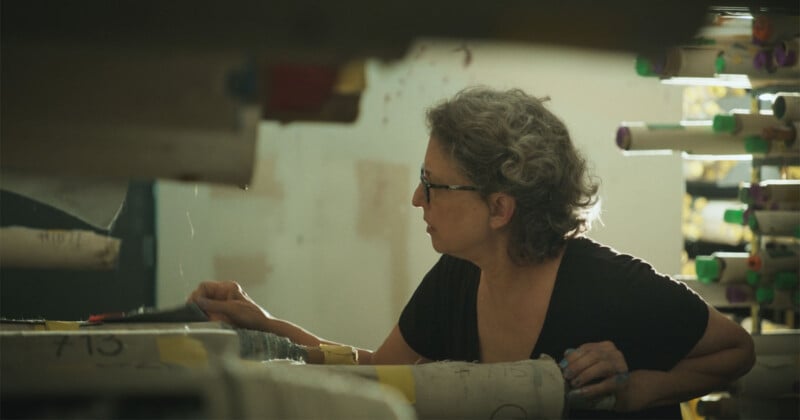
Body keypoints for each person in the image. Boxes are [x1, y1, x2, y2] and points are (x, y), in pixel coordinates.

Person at [189, 87, 755, 418]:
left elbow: (736, 352)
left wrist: (636, 387)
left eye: (434, 184)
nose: (417, 199)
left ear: (500, 209)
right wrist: (267, 327)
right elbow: (380, 372)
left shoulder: (611, 286)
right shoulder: (458, 276)